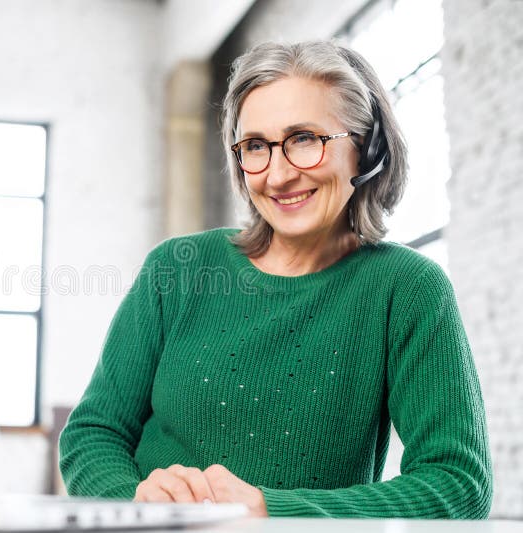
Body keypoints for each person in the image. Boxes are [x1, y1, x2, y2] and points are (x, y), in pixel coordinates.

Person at [58, 40, 492, 518]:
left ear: (366, 150)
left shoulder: (407, 289)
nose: (278, 174)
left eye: (305, 138)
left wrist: (271, 512)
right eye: (256, 146)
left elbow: (458, 483)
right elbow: (93, 434)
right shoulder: (176, 269)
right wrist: (135, 503)